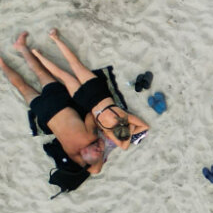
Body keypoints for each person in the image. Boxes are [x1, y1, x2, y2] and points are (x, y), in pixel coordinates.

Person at [16, 29, 148, 149]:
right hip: (84, 100)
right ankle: (37, 55)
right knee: (62, 75)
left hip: (97, 91)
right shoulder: (107, 129)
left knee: (75, 63)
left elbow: (145, 126)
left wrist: (131, 127)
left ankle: (55, 38)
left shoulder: (124, 116)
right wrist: (129, 134)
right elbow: (124, 147)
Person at [1, 31, 107, 178]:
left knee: (40, 72)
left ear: (85, 154)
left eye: (96, 150)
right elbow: (95, 169)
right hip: (44, 114)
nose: (98, 148)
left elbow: (91, 115)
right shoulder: (74, 156)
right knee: (22, 88)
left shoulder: (89, 137)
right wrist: (98, 155)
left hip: (57, 103)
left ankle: (21, 48)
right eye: (99, 150)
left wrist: (100, 142)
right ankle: (1, 63)